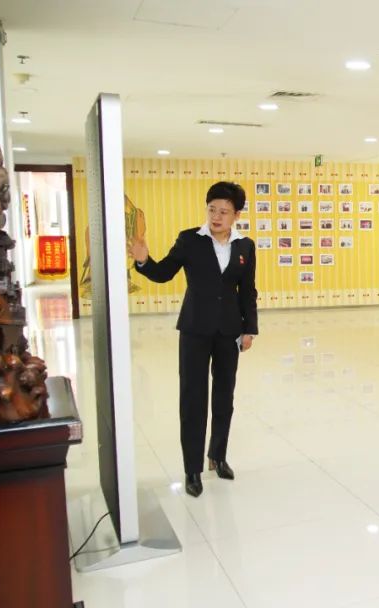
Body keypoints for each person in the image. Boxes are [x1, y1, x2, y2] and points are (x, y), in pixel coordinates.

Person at [131, 181, 258, 498]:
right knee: (192, 400)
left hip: (229, 331)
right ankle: (192, 470)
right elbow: (164, 273)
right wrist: (144, 261)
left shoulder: (245, 246)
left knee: (224, 397)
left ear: (236, 215)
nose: (216, 216)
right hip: (194, 330)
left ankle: (218, 456)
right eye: (212, 209)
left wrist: (249, 329)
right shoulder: (190, 239)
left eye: (224, 211)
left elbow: (247, 291)